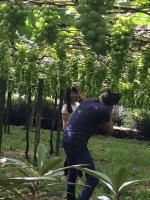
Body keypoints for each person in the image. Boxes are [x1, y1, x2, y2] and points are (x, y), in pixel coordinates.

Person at [63, 89, 120, 200]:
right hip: (77, 142)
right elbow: (110, 131)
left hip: (66, 137)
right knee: (93, 179)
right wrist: (109, 112)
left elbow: (87, 104)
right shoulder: (104, 111)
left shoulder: (88, 101)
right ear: (112, 105)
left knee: (73, 171)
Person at [61, 86, 83, 178]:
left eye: (75, 92)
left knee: (77, 153)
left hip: (79, 133)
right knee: (71, 154)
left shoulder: (78, 104)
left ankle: (75, 173)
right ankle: (67, 173)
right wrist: (68, 134)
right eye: (71, 93)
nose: (73, 95)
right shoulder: (66, 106)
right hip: (70, 134)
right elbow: (64, 123)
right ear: (68, 95)